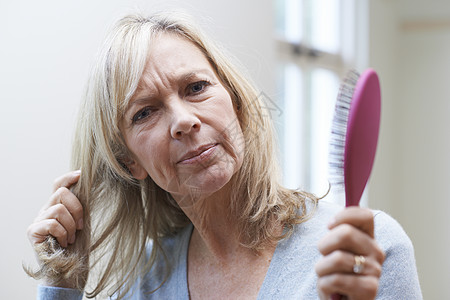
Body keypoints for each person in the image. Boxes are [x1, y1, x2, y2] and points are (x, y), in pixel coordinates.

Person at [26, 12, 422, 299]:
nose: (184, 121)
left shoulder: (371, 251)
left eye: (196, 87)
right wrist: (63, 284)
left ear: (238, 105)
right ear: (130, 162)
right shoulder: (142, 284)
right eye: (145, 112)